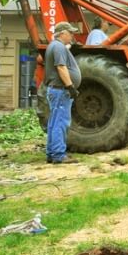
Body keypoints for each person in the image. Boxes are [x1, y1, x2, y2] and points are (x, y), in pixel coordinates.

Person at [44, 21, 82, 164]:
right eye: (70, 33)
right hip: (61, 90)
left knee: (54, 122)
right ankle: (59, 155)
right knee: (61, 122)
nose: (72, 35)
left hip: (56, 90)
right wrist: (70, 86)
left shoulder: (54, 46)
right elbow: (61, 67)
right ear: (62, 33)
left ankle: (51, 153)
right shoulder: (59, 47)